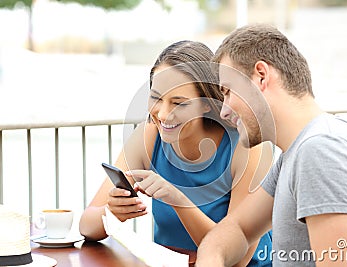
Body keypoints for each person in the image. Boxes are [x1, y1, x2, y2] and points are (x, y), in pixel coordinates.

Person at [196, 24, 347, 266]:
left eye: (228, 91)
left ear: (261, 75)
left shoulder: (321, 152)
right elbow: (237, 228)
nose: (225, 110)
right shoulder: (296, 154)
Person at [79, 40, 274, 266]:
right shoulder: (149, 135)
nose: (162, 114)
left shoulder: (247, 147)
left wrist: (178, 200)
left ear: (206, 104)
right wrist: (112, 212)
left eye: (178, 103)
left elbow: (236, 261)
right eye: (156, 98)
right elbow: (86, 226)